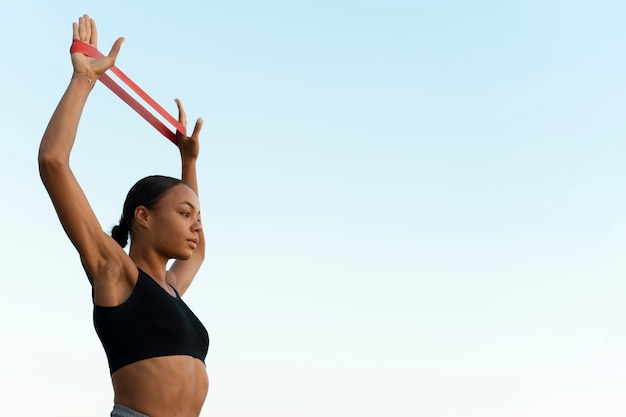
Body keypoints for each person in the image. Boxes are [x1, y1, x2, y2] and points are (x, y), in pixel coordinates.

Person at [38, 14, 209, 417]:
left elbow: (198, 251)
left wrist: (188, 162)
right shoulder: (115, 271)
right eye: (185, 214)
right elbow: (53, 162)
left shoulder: (169, 287)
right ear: (143, 217)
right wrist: (84, 80)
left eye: (196, 215)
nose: (196, 226)